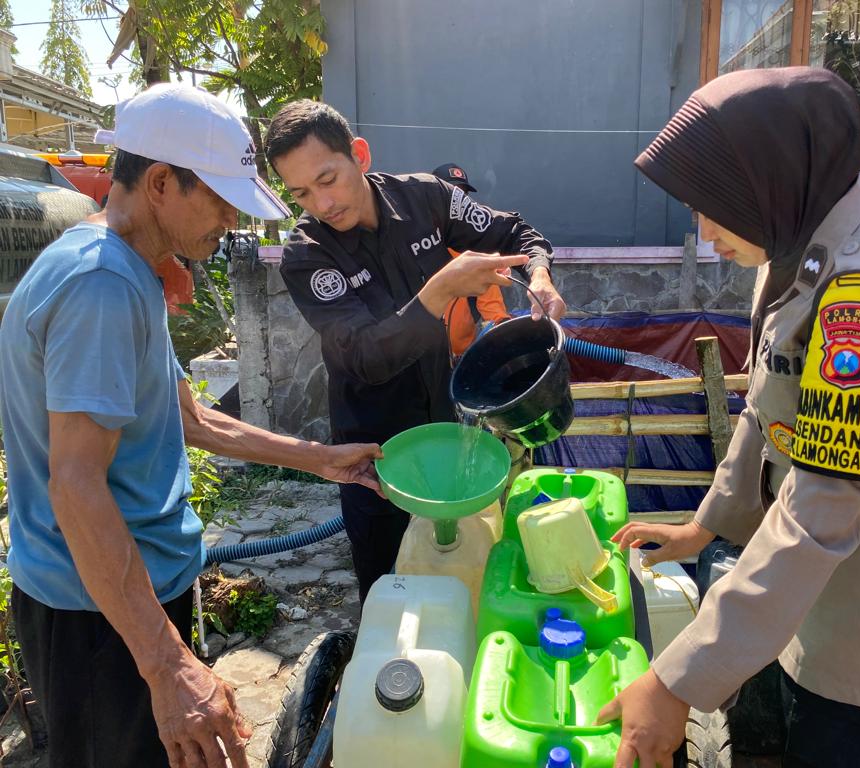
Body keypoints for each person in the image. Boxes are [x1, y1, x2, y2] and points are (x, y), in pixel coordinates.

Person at [599, 67, 860, 768]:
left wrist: (676, 681)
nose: (704, 234)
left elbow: (825, 509)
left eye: (714, 206)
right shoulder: (798, 244)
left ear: (771, 178)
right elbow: (769, 409)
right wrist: (707, 525)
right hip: (826, 597)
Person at [0, 83, 383, 768]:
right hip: (99, 622)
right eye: (219, 196)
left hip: (129, 598)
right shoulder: (101, 285)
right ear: (160, 183)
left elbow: (188, 417)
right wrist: (167, 665)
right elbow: (76, 484)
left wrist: (321, 460)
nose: (230, 217)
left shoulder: (128, 269)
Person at [265, 101, 566, 603]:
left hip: (445, 426)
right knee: (388, 588)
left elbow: (515, 232)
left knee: (455, 569)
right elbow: (365, 356)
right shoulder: (306, 255)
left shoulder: (426, 198)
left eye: (328, 178)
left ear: (358, 154)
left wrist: (538, 271)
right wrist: (440, 291)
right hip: (372, 452)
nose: (321, 203)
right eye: (300, 193)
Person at [430, 162, 512, 357]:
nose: (456, 205)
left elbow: (494, 313)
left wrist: (507, 334)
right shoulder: (411, 245)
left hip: (459, 358)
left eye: (461, 197)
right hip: (417, 362)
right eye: (450, 195)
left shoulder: (475, 254)